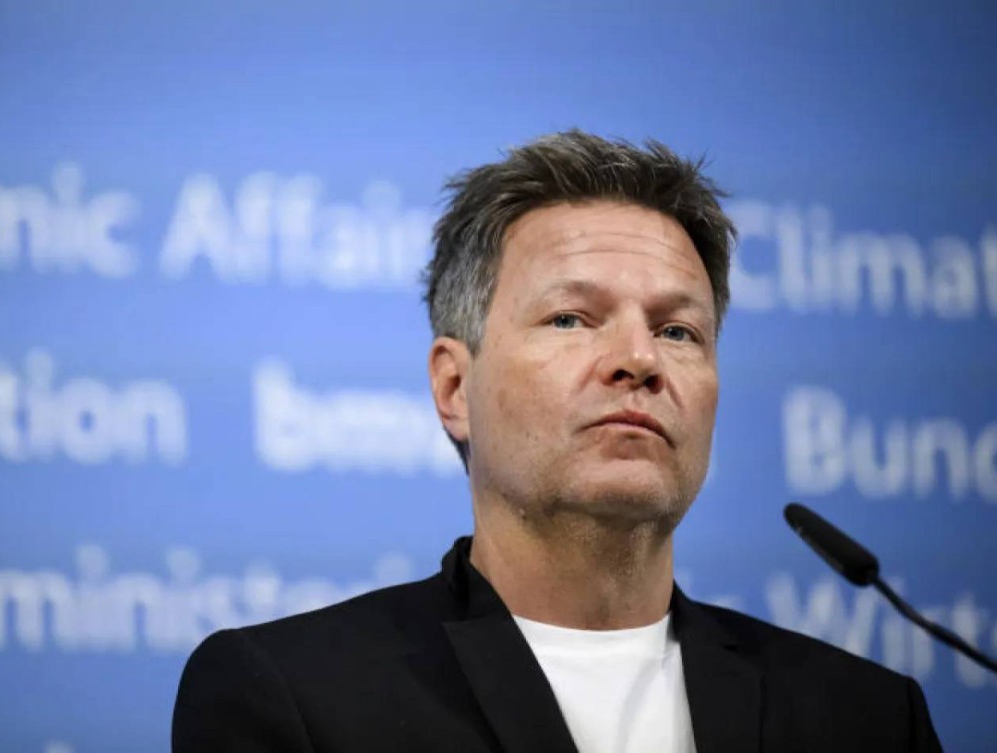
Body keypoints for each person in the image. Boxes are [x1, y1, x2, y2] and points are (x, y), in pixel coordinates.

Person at [172, 130, 942, 752]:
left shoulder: (866, 718)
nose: (638, 359)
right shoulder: (297, 698)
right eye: (571, 318)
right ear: (454, 388)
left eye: (677, 330)